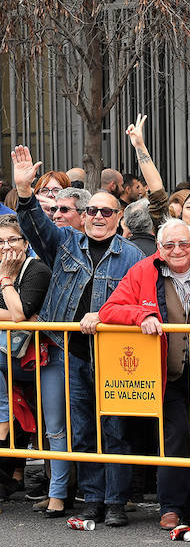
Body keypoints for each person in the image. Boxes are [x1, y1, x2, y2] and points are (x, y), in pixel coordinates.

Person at [13, 144, 145, 527]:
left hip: (116, 354)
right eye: (92, 211)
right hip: (70, 351)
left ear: (119, 217)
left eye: (106, 211)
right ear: (83, 216)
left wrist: (104, 315)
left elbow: (141, 304)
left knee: (116, 431)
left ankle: (117, 502)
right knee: (82, 431)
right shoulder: (65, 243)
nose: (98, 217)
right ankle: (92, 500)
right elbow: (36, 227)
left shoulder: (134, 256)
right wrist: (24, 193)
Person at [99, 219, 190, 529]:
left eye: (183, 243)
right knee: (176, 435)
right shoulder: (143, 271)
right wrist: (142, 314)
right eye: (169, 245)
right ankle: (170, 505)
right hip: (164, 373)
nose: (177, 250)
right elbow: (109, 309)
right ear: (158, 248)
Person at [0, 216, 51, 504]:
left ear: (25, 243)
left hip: (33, 360)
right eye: (0, 242)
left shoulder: (37, 270)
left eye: (12, 240)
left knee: (51, 422)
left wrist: (6, 279)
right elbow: (18, 313)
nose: (6, 247)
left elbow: (22, 314)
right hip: (5, 357)